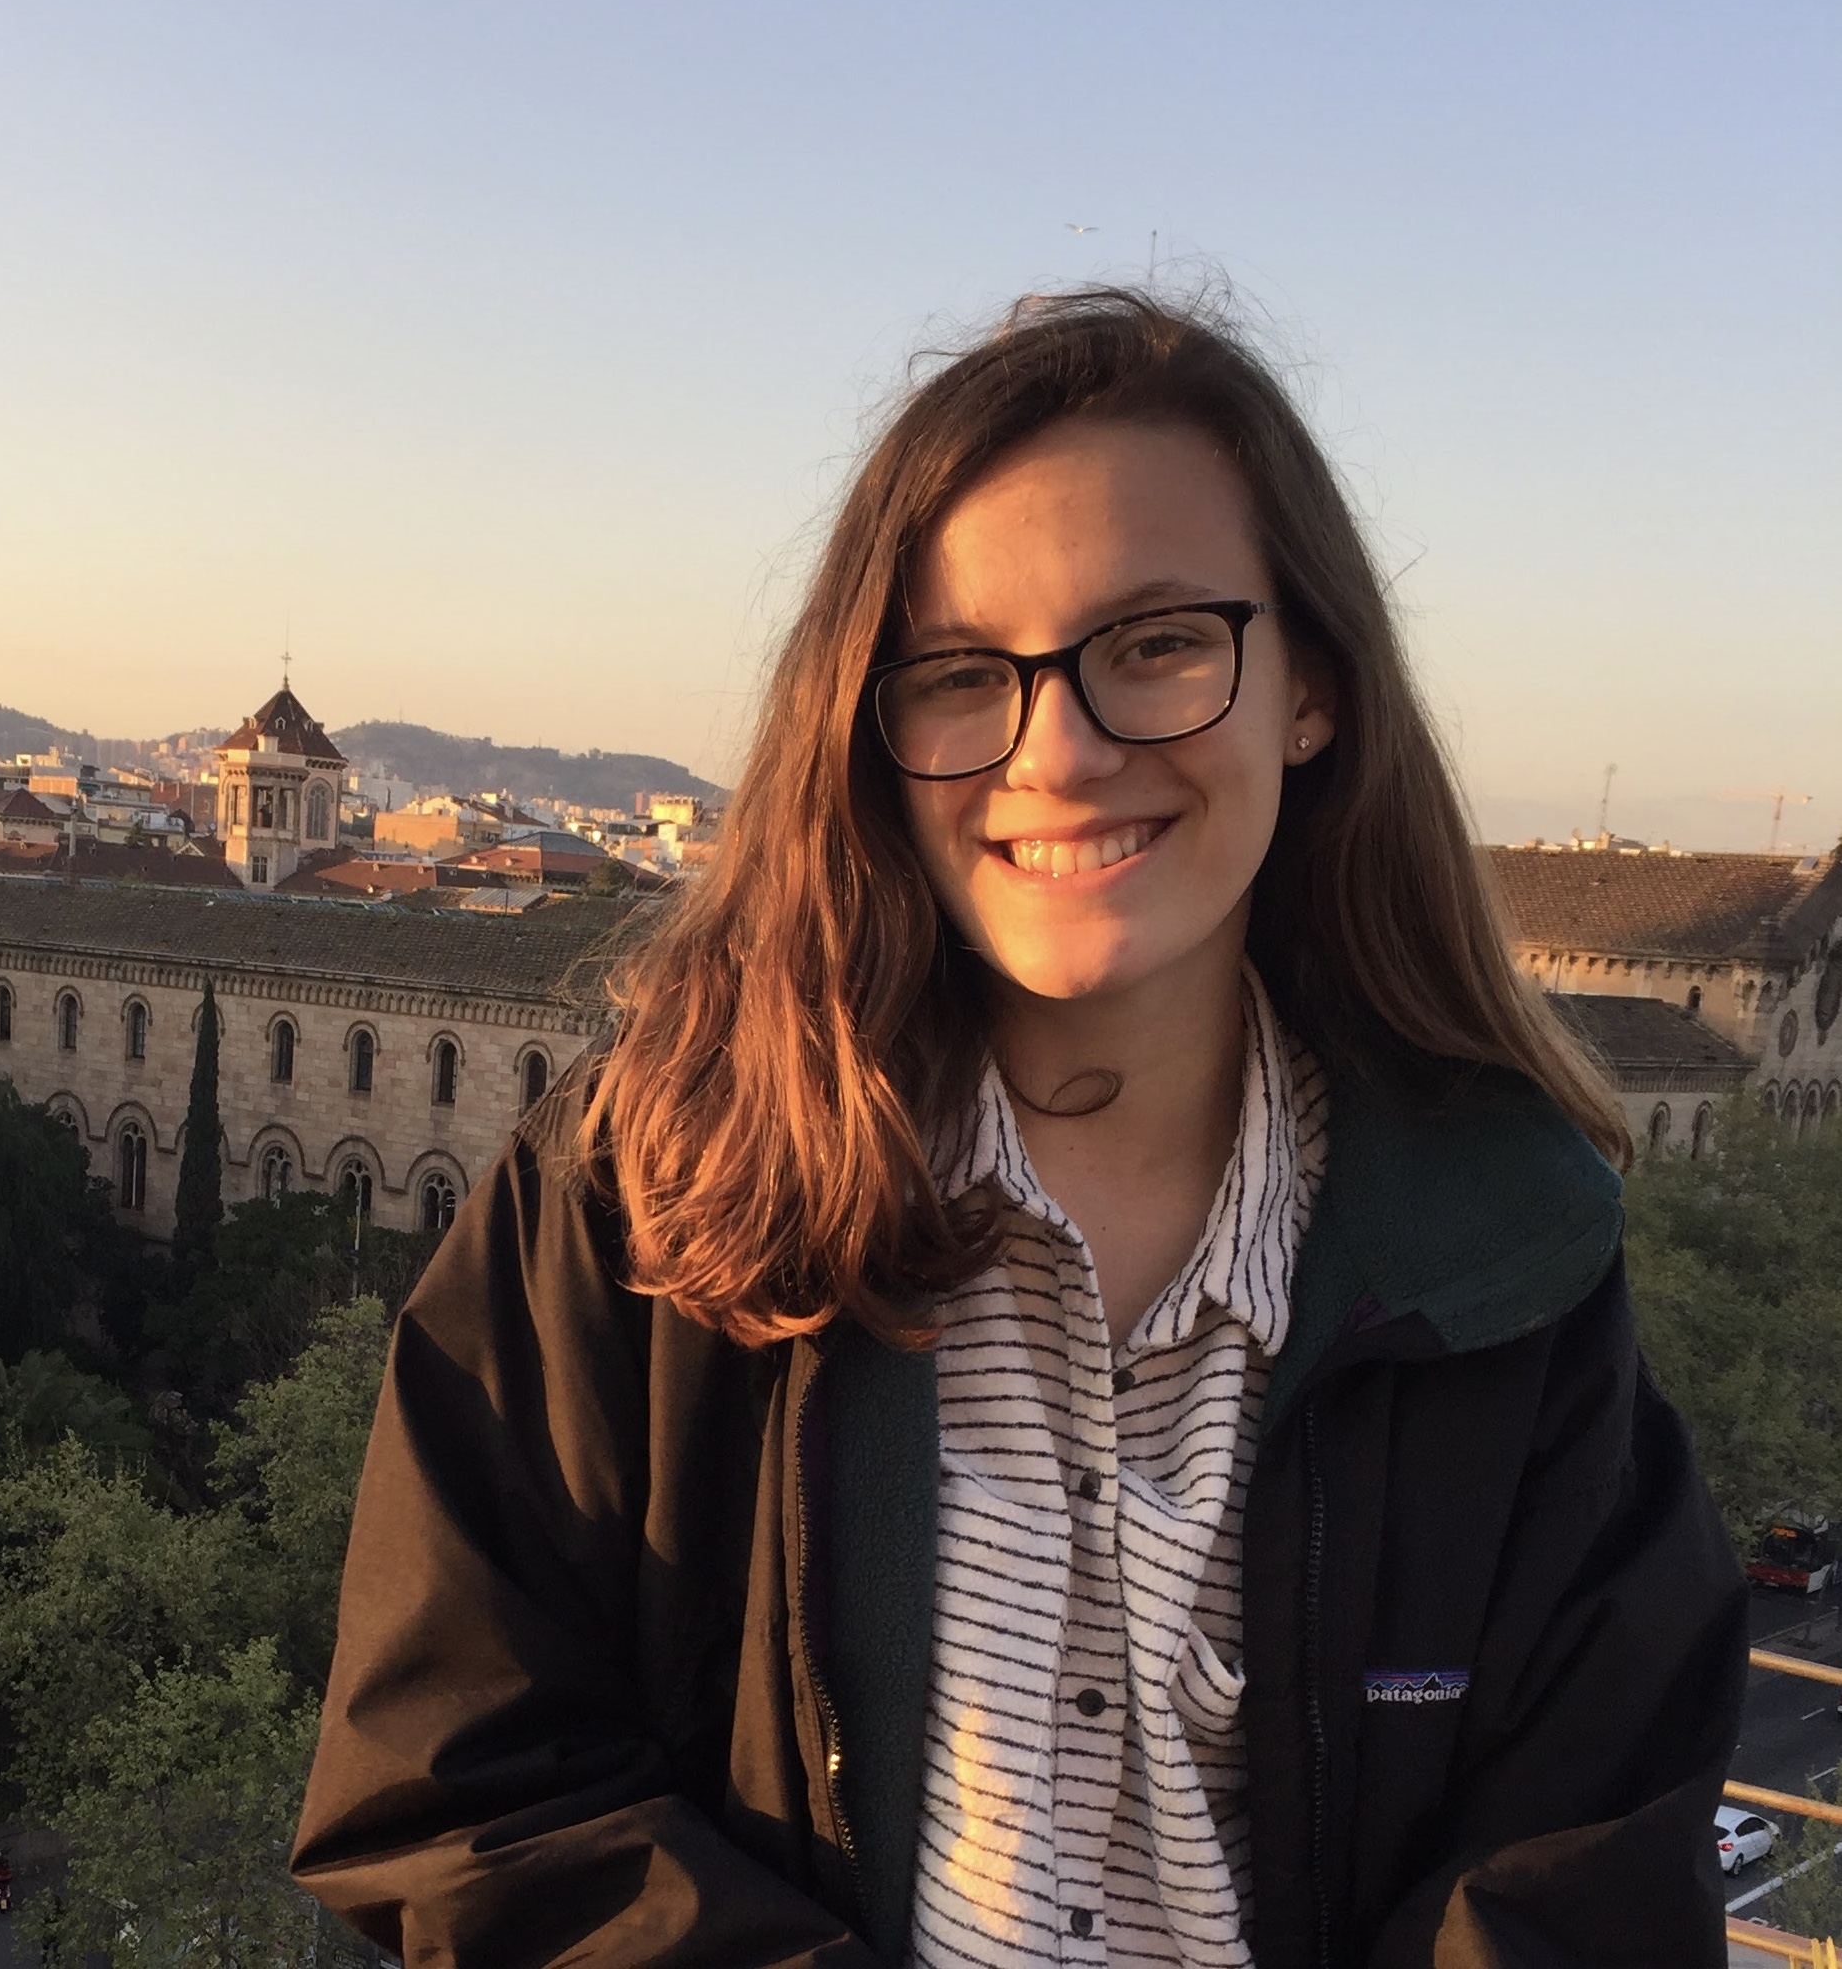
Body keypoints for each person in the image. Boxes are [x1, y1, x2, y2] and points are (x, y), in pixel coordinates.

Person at [293, 289, 1745, 1967]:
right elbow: (461, 1797)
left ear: (1313, 687)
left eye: (1160, 643)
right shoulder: (643, 1198)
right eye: (963, 674)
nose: (1057, 752)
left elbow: (1585, 1867)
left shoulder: (1509, 1261)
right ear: (870, 727)